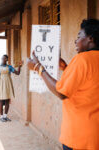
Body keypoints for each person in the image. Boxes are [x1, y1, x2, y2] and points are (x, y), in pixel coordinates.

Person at [27, 19, 99, 150]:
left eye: (79, 36)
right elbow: (89, 84)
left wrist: (38, 67)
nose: (75, 41)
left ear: (90, 39)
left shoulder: (82, 59)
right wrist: (66, 67)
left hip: (78, 137)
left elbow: (61, 92)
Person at [0, 54, 23, 122]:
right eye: (2, 58)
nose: (3, 60)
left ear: (7, 60)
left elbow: (17, 73)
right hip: (1, 85)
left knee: (7, 100)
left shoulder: (9, 67)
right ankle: (1, 117)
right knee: (1, 100)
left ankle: (5, 116)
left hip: (8, 84)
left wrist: (19, 66)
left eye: (4, 59)